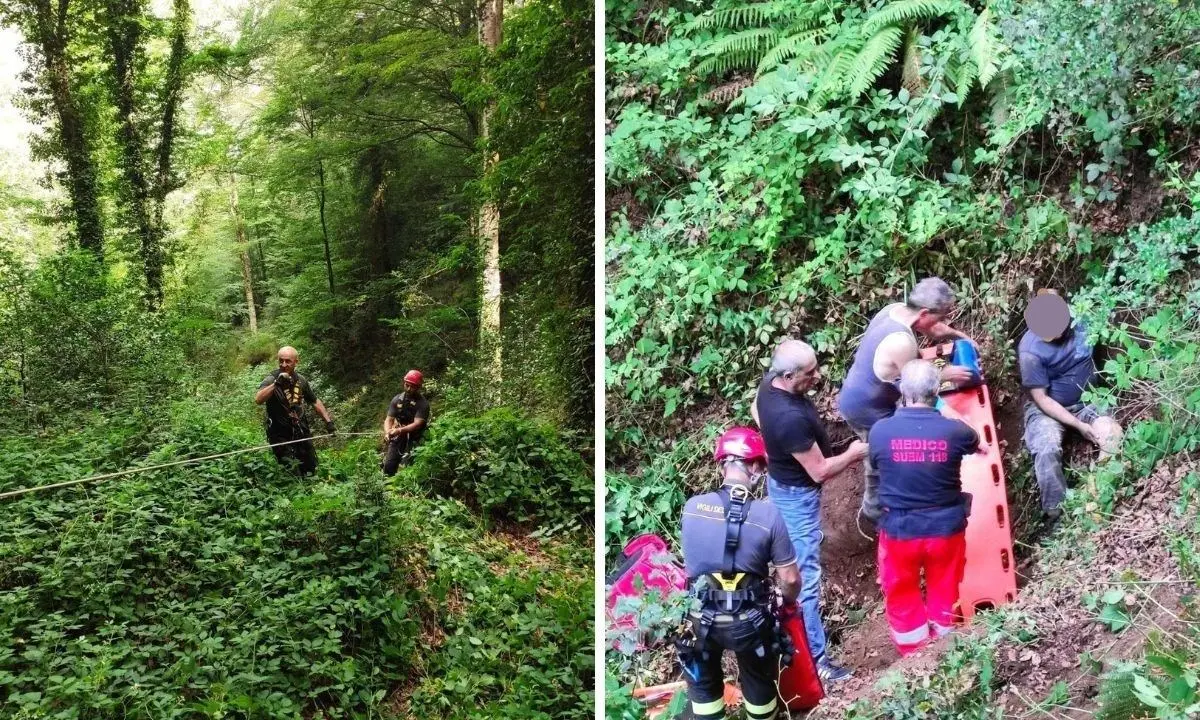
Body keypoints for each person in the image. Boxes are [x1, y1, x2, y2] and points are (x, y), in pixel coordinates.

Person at [751, 339, 865, 682]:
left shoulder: (768, 387)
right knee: (806, 581)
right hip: (797, 498)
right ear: (787, 375)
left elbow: (756, 411)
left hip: (782, 485)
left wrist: (775, 451)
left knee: (800, 567)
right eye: (810, 372)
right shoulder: (788, 418)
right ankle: (818, 663)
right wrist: (854, 454)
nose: (818, 376)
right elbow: (819, 471)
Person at [680, 426, 801, 720]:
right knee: (760, 688)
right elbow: (790, 579)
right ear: (756, 466)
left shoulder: (692, 507)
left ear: (722, 464)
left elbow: (692, 566)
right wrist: (787, 605)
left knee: (704, 696)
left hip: (700, 621)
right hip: (750, 623)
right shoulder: (768, 515)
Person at [837, 277, 977, 528]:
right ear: (924, 312)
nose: (941, 322)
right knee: (881, 456)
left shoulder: (893, 311)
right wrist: (949, 379)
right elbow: (919, 384)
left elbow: (933, 331)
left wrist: (959, 336)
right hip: (867, 407)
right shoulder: (902, 342)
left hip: (862, 390)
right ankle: (875, 513)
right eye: (941, 316)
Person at [869, 360, 984, 656]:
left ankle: (913, 658)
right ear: (936, 392)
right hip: (945, 530)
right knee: (945, 588)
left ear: (902, 392)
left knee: (901, 592)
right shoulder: (955, 432)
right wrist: (944, 409)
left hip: (899, 531)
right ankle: (944, 653)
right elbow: (976, 439)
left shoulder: (880, 432)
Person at [1019, 290, 1122, 519]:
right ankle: (1058, 514)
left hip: (1091, 400)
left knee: (1111, 434)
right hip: (1047, 410)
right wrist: (1078, 425)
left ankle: (1100, 494)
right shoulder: (1030, 351)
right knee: (1046, 447)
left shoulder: (1083, 320)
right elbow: (1041, 399)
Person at [253, 346, 335, 475]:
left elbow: (314, 401)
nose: (283, 364)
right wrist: (276, 384)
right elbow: (258, 399)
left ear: (296, 362)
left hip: (301, 430)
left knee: (310, 468)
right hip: (279, 434)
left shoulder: (301, 380)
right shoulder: (271, 379)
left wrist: (328, 422)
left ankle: (312, 492)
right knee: (291, 472)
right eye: (281, 361)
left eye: (288, 361)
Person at [382, 369, 430, 475]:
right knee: (389, 464)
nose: (408, 389)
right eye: (406, 385)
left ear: (418, 387)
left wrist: (398, 431)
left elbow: (417, 424)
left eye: (412, 386)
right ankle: (386, 484)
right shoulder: (397, 399)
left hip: (416, 437)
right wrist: (387, 432)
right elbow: (389, 419)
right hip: (399, 435)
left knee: (411, 466)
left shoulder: (423, 404)